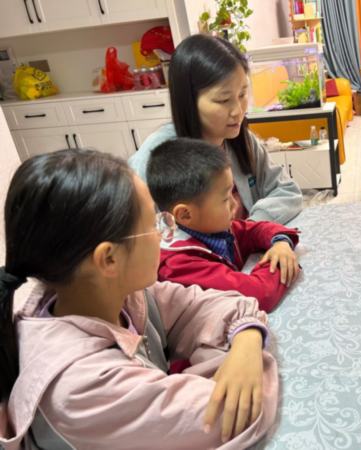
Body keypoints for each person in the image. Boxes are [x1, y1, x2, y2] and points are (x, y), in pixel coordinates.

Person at [0, 149, 278, 450]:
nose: (165, 233)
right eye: (154, 225)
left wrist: (246, 339)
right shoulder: (82, 389)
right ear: (109, 258)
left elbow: (213, 304)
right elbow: (236, 413)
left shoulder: (114, 294)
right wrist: (239, 352)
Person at [128, 34, 302, 224]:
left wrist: (252, 227)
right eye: (223, 100)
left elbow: (286, 190)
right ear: (189, 102)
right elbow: (134, 230)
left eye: (242, 94)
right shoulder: (157, 157)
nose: (238, 111)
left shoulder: (240, 140)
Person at [147, 138, 300, 313]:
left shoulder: (209, 227)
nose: (235, 203)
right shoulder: (178, 264)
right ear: (185, 214)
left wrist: (280, 242)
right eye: (226, 199)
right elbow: (258, 294)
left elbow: (252, 230)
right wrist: (279, 262)